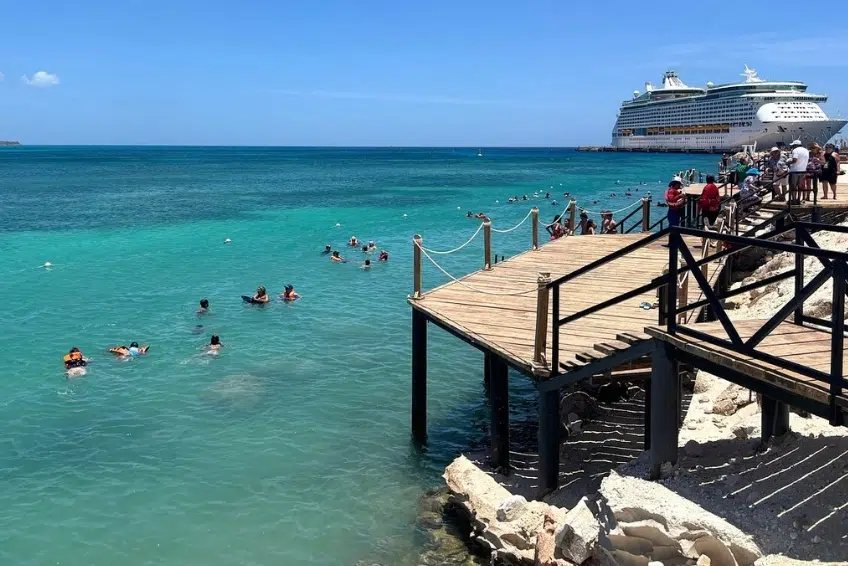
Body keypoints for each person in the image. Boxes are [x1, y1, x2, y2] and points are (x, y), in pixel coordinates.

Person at [787, 140, 809, 204]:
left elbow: (794, 160)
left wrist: (788, 162)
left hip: (795, 171)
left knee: (793, 186)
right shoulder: (806, 150)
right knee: (800, 186)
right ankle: (799, 199)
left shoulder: (795, 150)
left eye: (793, 146)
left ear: (795, 145)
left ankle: (794, 200)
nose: (792, 147)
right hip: (803, 170)